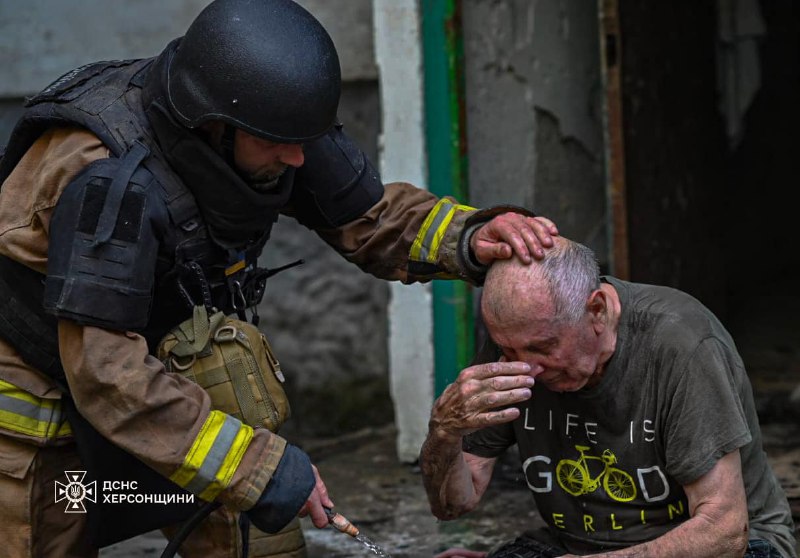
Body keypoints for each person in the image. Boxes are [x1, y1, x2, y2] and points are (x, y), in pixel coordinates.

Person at [0, 0, 559, 556]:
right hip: (40, 402)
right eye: (280, 145)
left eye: (304, 142)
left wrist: (468, 236)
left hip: (152, 371)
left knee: (248, 528)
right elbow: (105, 373)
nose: (298, 159)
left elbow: (368, 217)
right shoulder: (107, 181)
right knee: (62, 526)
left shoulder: (269, 120)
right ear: (214, 127)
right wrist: (259, 465)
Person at [420, 237, 796, 558]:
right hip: (574, 546)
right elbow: (453, 504)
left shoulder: (681, 345)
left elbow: (725, 532)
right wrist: (444, 432)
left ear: (597, 310)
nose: (528, 368)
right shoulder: (516, 344)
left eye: (544, 348)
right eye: (508, 349)